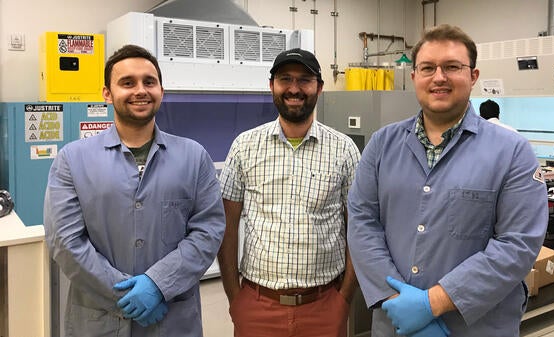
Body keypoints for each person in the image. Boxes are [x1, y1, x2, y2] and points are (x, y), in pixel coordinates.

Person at [347, 24, 548, 337]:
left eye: (452, 67)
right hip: (395, 323)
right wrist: (395, 300)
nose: (438, 77)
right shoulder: (381, 145)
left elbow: (518, 244)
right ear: (414, 77)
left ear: (473, 76)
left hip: (476, 327)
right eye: (428, 67)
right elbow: (362, 223)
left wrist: (433, 302)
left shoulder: (512, 152)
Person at [44, 44, 226, 337]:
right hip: (98, 322)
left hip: (172, 321)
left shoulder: (194, 156)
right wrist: (123, 297)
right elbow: (65, 242)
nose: (140, 90)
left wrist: (157, 285)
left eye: (149, 82)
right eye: (127, 83)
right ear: (107, 93)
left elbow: (209, 230)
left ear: (161, 91)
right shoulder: (72, 159)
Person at [218, 48, 361, 337]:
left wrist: (343, 298)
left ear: (319, 87)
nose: (294, 89)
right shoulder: (244, 147)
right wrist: (236, 297)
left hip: (324, 306)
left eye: (304, 80)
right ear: (272, 85)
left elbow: (357, 228)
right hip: (257, 305)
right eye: (285, 79)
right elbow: (226, 225)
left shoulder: (344, 150)